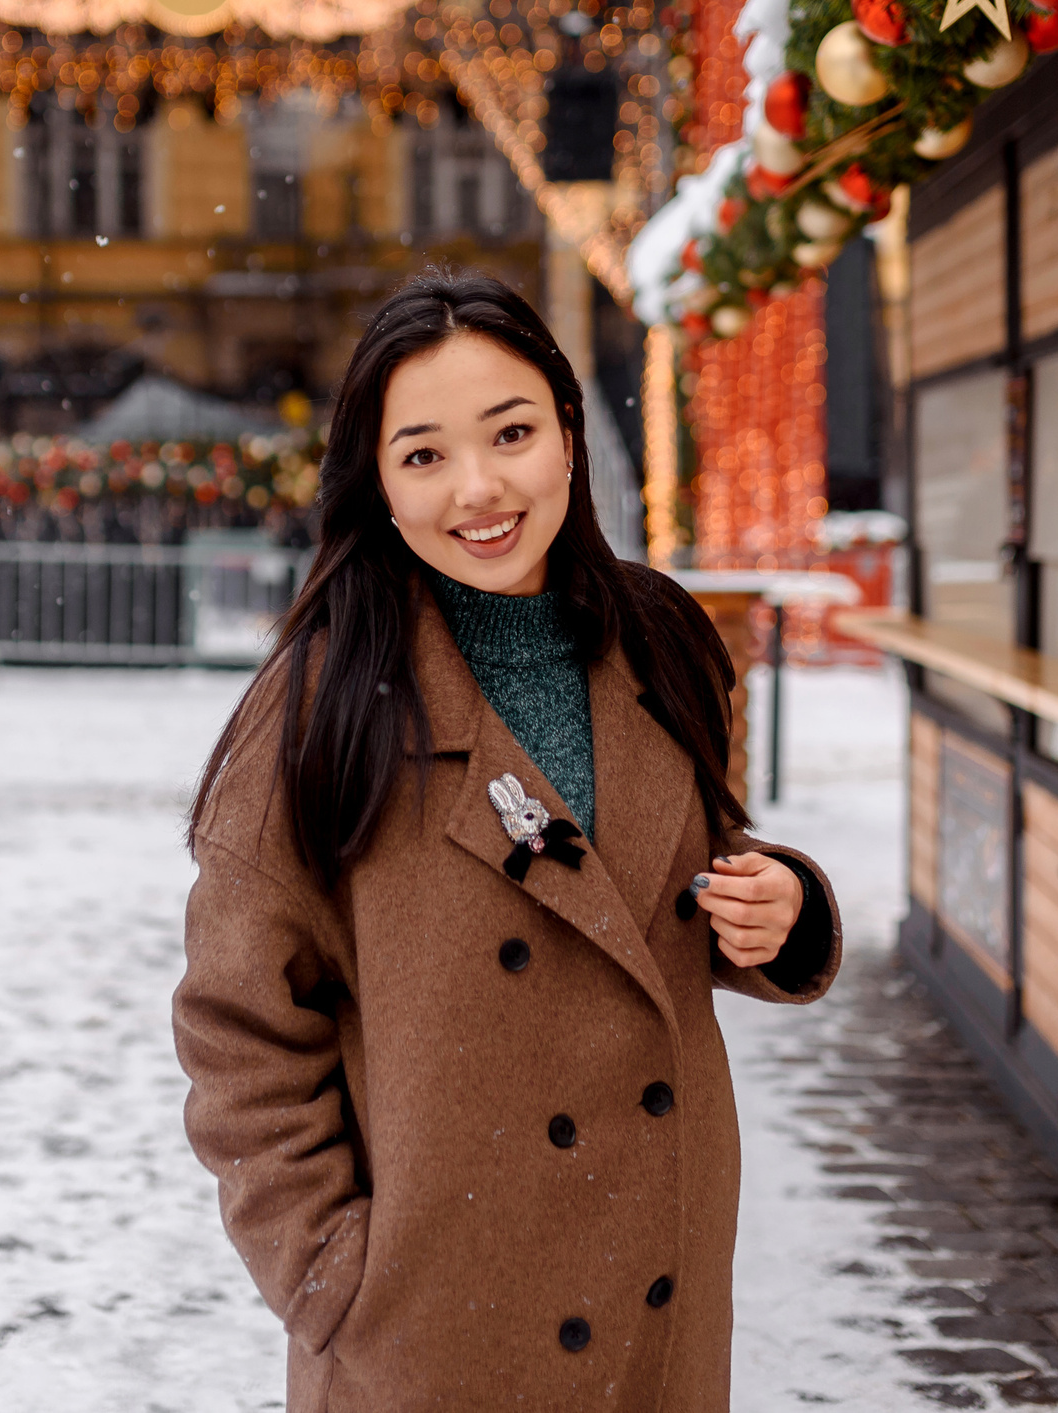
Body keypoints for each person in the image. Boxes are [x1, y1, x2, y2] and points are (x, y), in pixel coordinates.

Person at [173, 274, 841, 1411]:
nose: (478, 487)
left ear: (568, 435)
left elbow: (669, 877)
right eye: (424, 454)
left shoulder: (659, 638)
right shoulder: (321, 707)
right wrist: (335, 1276)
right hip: (435, 1330)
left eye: (512, 433)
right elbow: (238, 1028)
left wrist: (781, 906)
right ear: (377, 480)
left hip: (658, 1287)